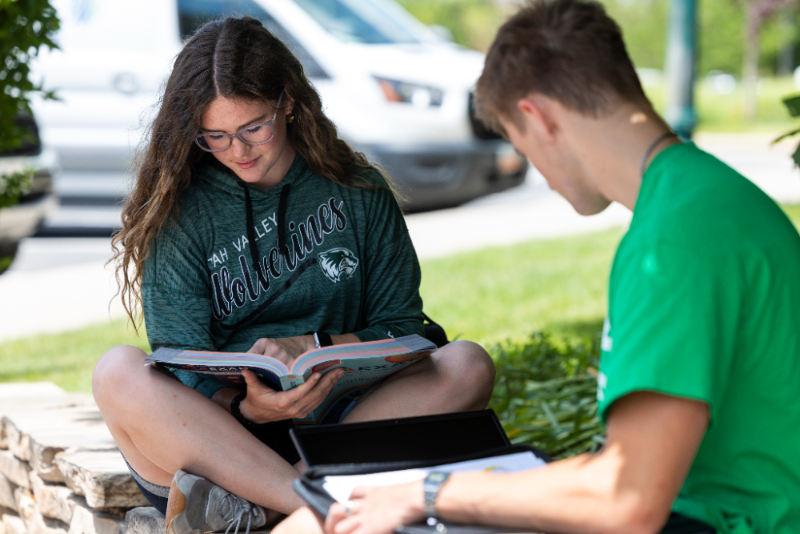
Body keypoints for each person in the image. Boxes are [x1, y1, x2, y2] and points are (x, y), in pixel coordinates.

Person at [273, 1, 800, 533]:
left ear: (538, 117)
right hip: (725, 507)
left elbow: (628, 500)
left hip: (722, 521)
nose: (540, 175)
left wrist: (430, 492)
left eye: (521, 144)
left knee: (323, 524)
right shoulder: (708, 195)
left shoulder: (673, 244)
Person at [91, 16, 496, 534]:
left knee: (466, 363)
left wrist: (315, 347)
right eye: (215, 135)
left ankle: (262, 511)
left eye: (253, 126)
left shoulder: (358, 191)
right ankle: (314, 503)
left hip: (343, 424)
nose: (238, 150)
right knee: (116, 372)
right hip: (221, 441)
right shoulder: (180, 209)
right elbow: (179, 359)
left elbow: (405, 327)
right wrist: (248, 407)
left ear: (288, 101)